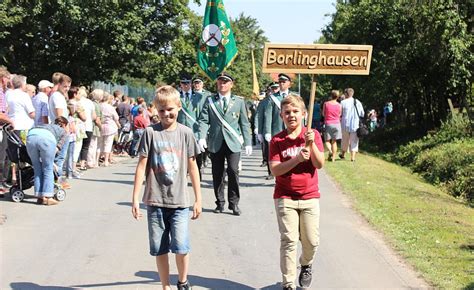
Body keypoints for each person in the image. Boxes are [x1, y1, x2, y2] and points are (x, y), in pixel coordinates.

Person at [131, 85, 202, 290]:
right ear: (155, 110)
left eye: (170, 109)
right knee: (159, 249)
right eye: (161, 110)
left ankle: (182, 280)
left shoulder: (186, 133)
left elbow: (192, 166)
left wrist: (198, 199)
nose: (166, 114)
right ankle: (165, 285)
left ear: (179, 107)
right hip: (155, 201)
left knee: (181, 246)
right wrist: (135, 198)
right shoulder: (150, 133)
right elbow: (141, 166)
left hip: (179, 201)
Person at [268, 94, 325, 290]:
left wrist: (311, 145)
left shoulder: (313, 135)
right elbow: (275, 170)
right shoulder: (277, 140)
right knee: (289, 240)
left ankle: (306, 264)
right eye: (287, 112)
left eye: (295, 112)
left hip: (309, 196)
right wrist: (297, 159)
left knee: (311, 241)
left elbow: (320, 164)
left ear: (303, 114)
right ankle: (288, 283)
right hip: (285, 197)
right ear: (282, 115)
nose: (291, 115)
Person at [197, 72, 252, 216]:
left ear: (231, 84)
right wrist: (201, 137)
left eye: (226, 82)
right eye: (220, 81)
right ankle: (220, 203)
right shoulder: (210, 101)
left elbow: (244, 123)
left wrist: (248, 142)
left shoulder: (239, 102)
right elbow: (203, 120)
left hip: (233, 143)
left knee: (233, 171)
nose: (222, 84)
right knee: (217, 173)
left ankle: (234, 203)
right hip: (215, 142)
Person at [26, 116, 69, 206]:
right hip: (46, 139)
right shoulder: (63, 132)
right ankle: (48, 197)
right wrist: (53, 163)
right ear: (64, 125)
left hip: (31, 136)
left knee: (37, 168)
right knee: (48, 168)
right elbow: (56, 149)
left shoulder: (45, 125)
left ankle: (39, 197)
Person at [177, 74, 205, 179]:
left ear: (191, 84)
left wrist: (202, 132)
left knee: (196, 155)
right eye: (183, 83)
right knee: (181, 156)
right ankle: (182, 177)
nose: (185, 85)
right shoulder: (176, 96)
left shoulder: (199, 96)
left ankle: (197, 174)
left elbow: (202, 115)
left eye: (188, 83)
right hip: (180, 130)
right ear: (180, 84)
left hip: (195, 130)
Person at [49, 74, 72, 189]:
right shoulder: (57, 96)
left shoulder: (59, 96)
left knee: (59, 156)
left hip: (60, 129)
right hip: (60, 130)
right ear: (59, 85)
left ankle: (56, 179)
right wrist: (65, 128)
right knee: (60, 157)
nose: (67, 88)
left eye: (68, 86)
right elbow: (59, 115)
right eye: (65, 86)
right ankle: (56, 180)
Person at [340, 88, 364, 162]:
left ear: (346, 94)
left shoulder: (343, 102)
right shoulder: (358, 102)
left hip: (345, 124)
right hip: (355, 125)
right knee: (354, 141)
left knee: (344, 140)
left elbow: (340, 113)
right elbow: (362, 114)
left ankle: (343, 154)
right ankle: (352, 157)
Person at [322, 90, 342, 162]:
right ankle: (333, 158)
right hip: (337, 124)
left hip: (328, 123)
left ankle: (330, 151)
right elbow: (340, 115)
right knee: (334, 141)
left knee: (327, 141)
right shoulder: (339, 105)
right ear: (337, 96)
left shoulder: (326, 104)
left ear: (331, 95)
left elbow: (323, 114)